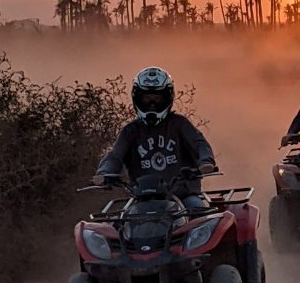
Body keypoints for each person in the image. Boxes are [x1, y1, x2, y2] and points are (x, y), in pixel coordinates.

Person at [92, 66, 216, 210]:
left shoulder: (180, 124)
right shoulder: (130, 131)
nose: (152, 104)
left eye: (157, 98)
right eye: (146, 98)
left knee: (200, 215)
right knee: (116, 227)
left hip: (183, 196)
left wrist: (205, 162)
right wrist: (105, 173)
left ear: (168, 98)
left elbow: (199, 145)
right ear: (136, 98)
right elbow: (115, 156)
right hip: (143, 200)